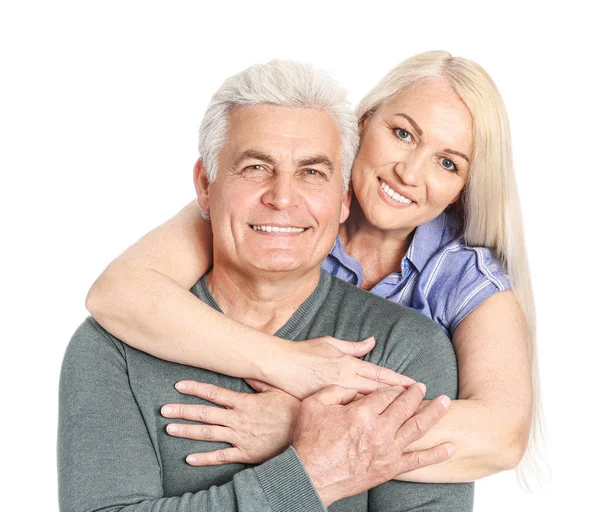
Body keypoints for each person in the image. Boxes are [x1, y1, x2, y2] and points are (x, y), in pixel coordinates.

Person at [86, 50, 537, 483]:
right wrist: (287, 365)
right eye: (403, 134)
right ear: (364, 125)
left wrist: (302, 426)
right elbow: (118, 295)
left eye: (447, 163)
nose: (410, 173)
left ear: (461, 188)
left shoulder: (468, 281)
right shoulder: (271, 211)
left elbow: (502, 436)